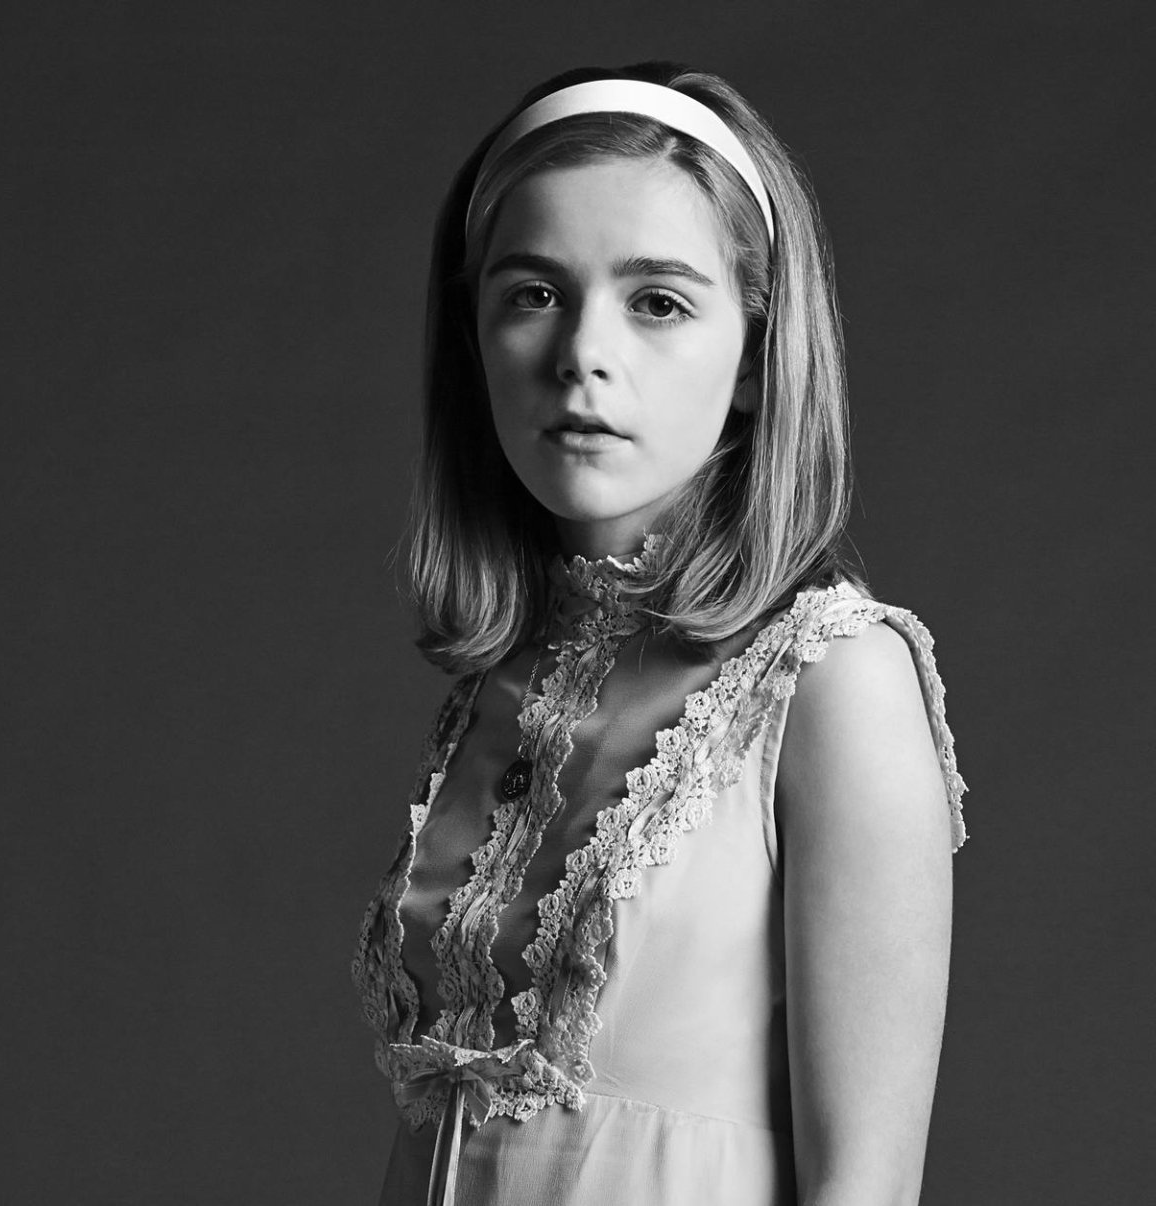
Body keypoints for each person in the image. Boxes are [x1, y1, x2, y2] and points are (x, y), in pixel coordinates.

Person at [350, 62, 967, 1206]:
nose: (583, 351)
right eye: (532, 292)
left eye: (659, 301)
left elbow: (866, 1190)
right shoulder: (501, 688)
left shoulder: (834, 684)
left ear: (753, 357)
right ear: (473, 333)